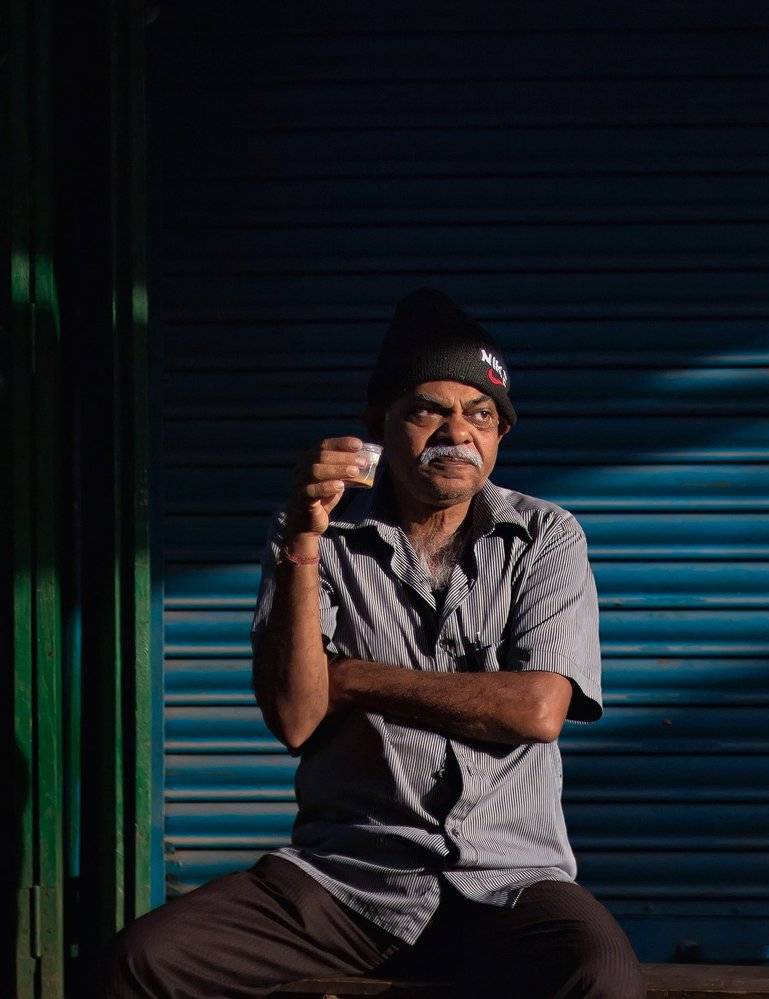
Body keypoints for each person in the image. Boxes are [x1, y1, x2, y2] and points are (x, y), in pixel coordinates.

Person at [108, 289, 645, 999]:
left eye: (481, 415)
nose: (458, 433)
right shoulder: (317, 534)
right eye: (429, 411)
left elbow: (538, 709)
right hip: (347, 878)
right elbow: (296, 716)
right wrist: (303, 539)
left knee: (601, 973)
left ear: (501, 435)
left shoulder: (545, 535)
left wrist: (353, 677)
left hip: (509, 879)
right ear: (377, 426)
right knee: (142, 960)